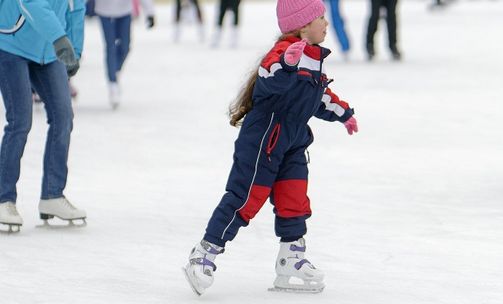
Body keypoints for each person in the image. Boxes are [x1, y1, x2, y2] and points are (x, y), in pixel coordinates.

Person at [183, 0, 358, 295]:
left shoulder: (314, 57)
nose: (326, 24)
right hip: (264, 139)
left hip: (293, 141)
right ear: (303, 26)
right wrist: (288, 64)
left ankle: (292, 258)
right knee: (245, 198)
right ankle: (204, 254)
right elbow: (269, 78)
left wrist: (344, 113)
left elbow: (318, 95)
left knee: (294, 199)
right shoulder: (282, 54)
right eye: (320, 19)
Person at [0, 0, 87, 233]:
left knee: (63, 117)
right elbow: (29, 2)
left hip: (48, 50)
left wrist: (74, 50)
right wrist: (60, 38)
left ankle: (52, 194)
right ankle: (3, 198)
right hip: (10, 43)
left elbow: (76, 8)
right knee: (20, 121)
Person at [94, 0, 155, 109]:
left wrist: (150, 12)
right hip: (104, 11)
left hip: (124, 11)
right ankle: (112, 83)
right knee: (110, 47)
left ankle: (115, 70)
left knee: (125, 47)